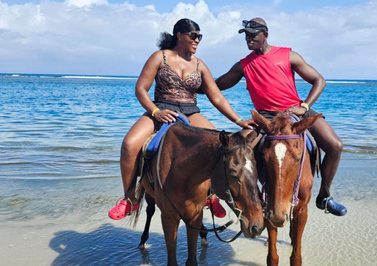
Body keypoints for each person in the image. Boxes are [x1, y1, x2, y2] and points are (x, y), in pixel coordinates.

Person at [108, 18, 253, 220]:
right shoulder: (160, 57)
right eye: (194, 36)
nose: (197, 40)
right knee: (129, 144)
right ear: (180, 35)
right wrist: (155, 111)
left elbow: (217, 97)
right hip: (161, 109)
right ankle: (130, 200)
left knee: (219, 147)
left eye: (200, 37)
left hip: (191, 112)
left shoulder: (200, 64)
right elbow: (141, 89)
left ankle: (211, 196)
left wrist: (238, 121)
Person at [215, 18, 347, 216]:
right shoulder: (243, 66)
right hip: (266, 118)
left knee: (336, 146)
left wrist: (304, 106)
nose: (249, 38)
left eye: (253, 34)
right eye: (246, 35)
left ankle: (324, 197)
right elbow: (215, 85)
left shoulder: (288, 55)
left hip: (293, 111)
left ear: (265, 35)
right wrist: (192, 80)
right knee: (232, 151)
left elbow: (319, 80)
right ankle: (245, 199)